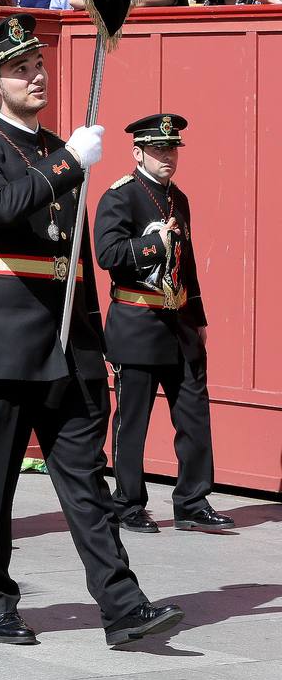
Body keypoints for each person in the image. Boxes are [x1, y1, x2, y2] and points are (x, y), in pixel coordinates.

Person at [0, 13, 184, 647]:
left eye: (39, 66)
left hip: (68, 341)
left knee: (84, 480)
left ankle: (122, 604)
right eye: (21, 70)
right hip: (4, 342)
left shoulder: (61, 148)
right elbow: (1, 207)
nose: (37, 76)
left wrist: (90, 336)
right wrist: (68, 163)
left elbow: (73, 253)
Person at [94, 113, 234, 534]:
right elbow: (108, 254)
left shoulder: (180, 199)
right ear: (137, 152)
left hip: (180, 324)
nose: (167, 156)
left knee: (193, 414)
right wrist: (156, 243)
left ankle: (192, 500)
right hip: (137, 320)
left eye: (171, 149)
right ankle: (128, 501)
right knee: (132, 419)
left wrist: (200, 319)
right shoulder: (119, 196)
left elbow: (186, 265)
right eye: (158, 149)